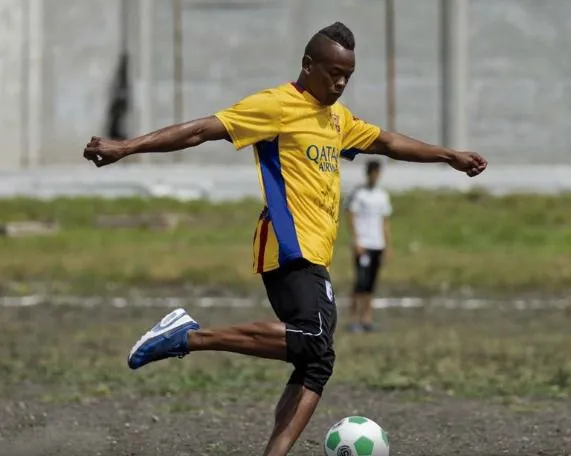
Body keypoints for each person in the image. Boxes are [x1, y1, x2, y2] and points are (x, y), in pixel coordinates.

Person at [83, 22, 487, 456]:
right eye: (333, 72)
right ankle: (188, 337)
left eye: (347, 75)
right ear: (308, 66)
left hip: (317, 252)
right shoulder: (276, 106)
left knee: (318, 360)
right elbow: (202, 129)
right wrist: (126, 148)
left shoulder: (336, 119)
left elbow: (386, 141)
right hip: (288, 244)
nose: (340, 82)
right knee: (313, 338)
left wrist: (449, 156)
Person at [345, 159, 392, 333]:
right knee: (360, 282)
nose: (375, 176)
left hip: (377, 244)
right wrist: (356, 241)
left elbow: (385, 222)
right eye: (372, 172)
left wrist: (387, 245)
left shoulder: (382, 195)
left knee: (371, 283)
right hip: (363, 244)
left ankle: (367, 318)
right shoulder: (359, 194)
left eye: (377, 173)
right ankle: (353, 318)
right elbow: (350, 216)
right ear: (368, 173)